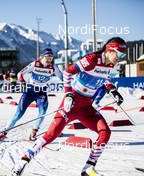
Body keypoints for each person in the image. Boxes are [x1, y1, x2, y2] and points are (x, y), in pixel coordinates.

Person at [12, 37, 126, 176]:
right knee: (51, 135)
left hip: (86, 107)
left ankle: (88, 168)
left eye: (123, 55)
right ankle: (22, 162)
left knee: (105, 132)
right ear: (110, 49)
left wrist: (112, 89)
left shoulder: (109, 65)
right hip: (72, 103)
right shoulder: (92, 59)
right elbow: (67, 72)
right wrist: (68, 95)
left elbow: (106, 78)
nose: (120, 58)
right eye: (119, 54)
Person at [0, 48, 63, 141]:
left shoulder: (53, 67)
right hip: (30, 91)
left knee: (42, 113)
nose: (49, 60)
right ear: (42, 57)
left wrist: (70, 85)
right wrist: (23, 83)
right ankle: (4, 132)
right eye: (47, 57)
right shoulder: (35, 64)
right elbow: (20, 74)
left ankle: (34, 132)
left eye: (51, 58)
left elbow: (62, 77)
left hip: (41, 92)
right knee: (19, 114)